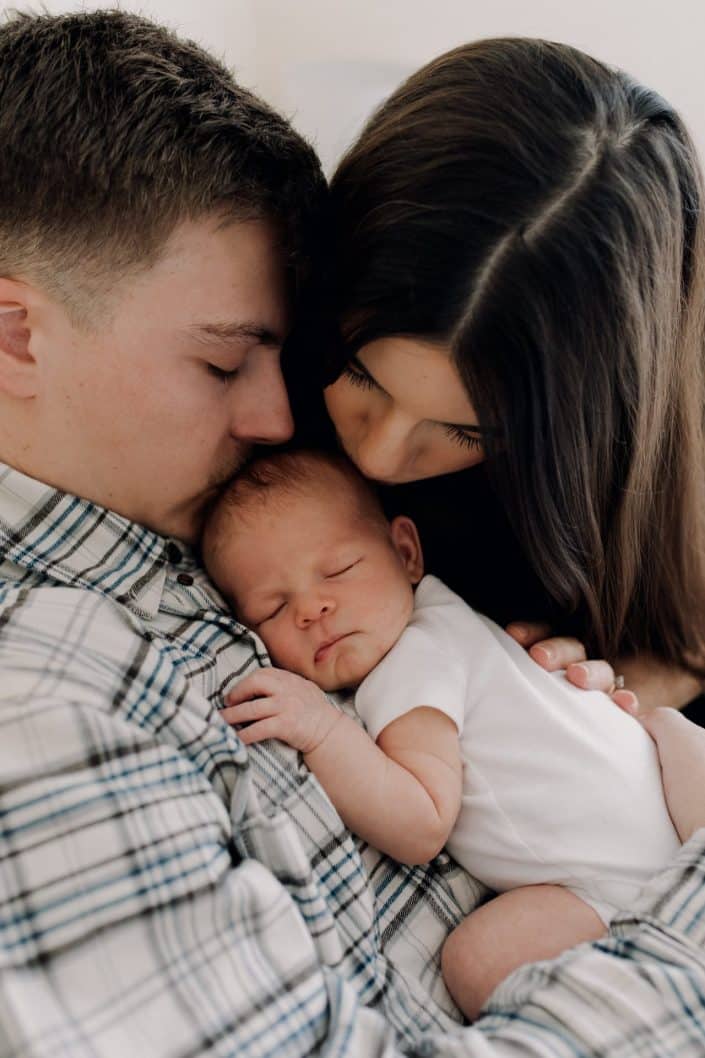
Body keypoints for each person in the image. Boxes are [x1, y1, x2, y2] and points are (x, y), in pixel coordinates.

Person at [2, 10, 705, 1056]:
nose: (352, 452)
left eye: (465, 429)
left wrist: (575, 697)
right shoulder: (56, 682)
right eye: (224, 361)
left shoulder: (190, 458)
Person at [295, 37, 705, 718]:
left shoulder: (646, 479)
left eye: (462, 428)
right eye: (360, 374)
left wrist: (627, 689)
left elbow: (684, 646)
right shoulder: (258, 347)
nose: (379, 456)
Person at [201, 446, 680, 1020]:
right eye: (272, 609)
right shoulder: (446, 614)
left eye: (337, 570)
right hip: (674, 801)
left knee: (475, 962)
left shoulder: (408, 663)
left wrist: (322, 730)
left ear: (406, 551)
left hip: (616, 888)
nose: (312, 608)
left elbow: (422, 821)